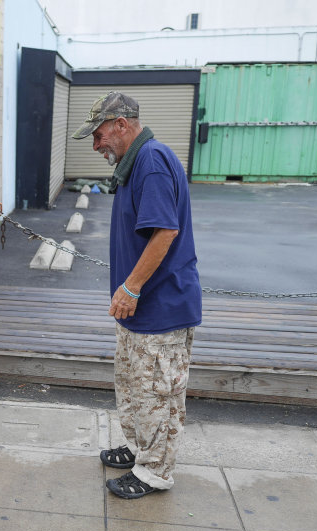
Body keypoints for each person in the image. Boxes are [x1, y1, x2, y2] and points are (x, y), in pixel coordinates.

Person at [72, 91, 202, 499]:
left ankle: (155, 472)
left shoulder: (151, 161)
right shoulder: (137, 162)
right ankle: (137, 449)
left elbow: (166, 232)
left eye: (98, 136)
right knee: (133, 388)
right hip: (139, 308)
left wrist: (130, 287)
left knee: (156, 394)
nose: (96, 146)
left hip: (159, 307)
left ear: (121, 125)